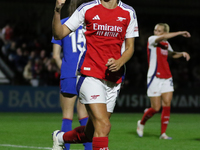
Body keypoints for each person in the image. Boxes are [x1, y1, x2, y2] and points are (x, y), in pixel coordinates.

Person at [51, 0, 139, 150]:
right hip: (89, 74)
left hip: (113, 79)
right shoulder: (87, 8)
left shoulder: (129, 12)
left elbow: (130, 47)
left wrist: (120, 61)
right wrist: (57, 11)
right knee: (104, 126)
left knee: (92, 132)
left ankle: (60, 137)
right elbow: (59, 34)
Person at [136, 23, 191, 139]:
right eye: (155, 30)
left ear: (165, 32)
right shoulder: (152, 40)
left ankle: (163, 133)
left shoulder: (166, 44)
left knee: (167, 104)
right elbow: (161, 38)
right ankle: (141, 123)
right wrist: (180, 33)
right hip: (154, 77)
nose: (156, 32)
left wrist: (181, 54)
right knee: (156, 108)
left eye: (159, 31)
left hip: (167, 77)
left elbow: (172, 54)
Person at [51, 0, 93, 150]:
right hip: (87, 73)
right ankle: (89, 148)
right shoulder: (91, 24)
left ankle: (63, 147)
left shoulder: (62, 23)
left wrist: (67, 70)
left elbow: (56, 56)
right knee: (85, 116)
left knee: (67, 114)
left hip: (69, 73)